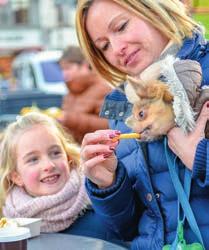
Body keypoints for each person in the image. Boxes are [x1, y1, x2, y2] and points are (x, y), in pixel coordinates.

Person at [75, 0, 209, 249]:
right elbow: (125, 228)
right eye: (103, 46)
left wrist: (199, 157)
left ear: (152, 8)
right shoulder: (122, 104)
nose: (117, 49)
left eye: (121, 27)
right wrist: (109, 185)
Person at [0, 112, 120, 242]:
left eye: (55, 153)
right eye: (33, 159)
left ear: (67, 157)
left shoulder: (101, 197)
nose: (49, 165)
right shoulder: (8, 227)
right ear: (16, 176)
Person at [58, 46, 112, 144]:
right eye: (62, 69)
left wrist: (72, 120)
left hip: (97, 152)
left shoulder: (103, 88)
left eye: (68, 68)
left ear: (84, 65)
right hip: (76, 152)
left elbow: (110, 125)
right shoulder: (70, 92)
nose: (64, 73)